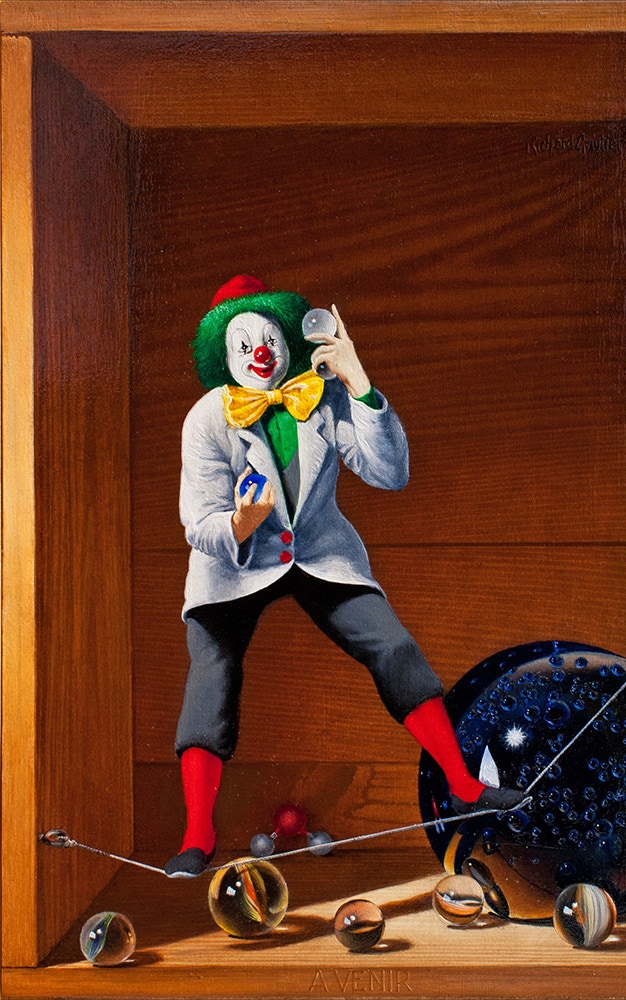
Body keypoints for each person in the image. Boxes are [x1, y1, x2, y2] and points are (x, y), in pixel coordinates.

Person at [166, 275, 522, 877]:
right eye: (246, 344)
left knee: (393, 646)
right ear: (225, 355)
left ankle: (464, 786)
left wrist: (359, 384)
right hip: (234, 564)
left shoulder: (323, 397)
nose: (261, 354)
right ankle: (196, 833)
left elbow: (390, 474)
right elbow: (199, 523)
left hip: (317, 551)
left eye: (271, 340)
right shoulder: (206, 419)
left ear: (291, 341)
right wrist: (242, 522)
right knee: (212, 673)